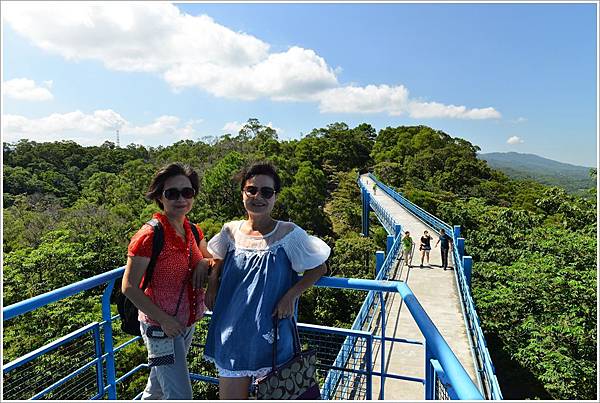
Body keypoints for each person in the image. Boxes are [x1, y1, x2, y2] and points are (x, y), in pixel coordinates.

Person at [203, 162, 329, 400]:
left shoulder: (289, 234)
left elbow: (318, 267)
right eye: (252, 190)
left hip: (271, 334)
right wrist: (212, 282)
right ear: (243, 194)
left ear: (275, 197)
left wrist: (291, 295)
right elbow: (216, 257)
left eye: (266, 192)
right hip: (232, 332)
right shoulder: (230, 231)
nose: (258, 196)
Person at [122, 162, 211, 400]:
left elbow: (210, 259)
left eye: (187, 192)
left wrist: (203, 263)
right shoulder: (149, 236)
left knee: (158, 387)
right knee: (180, 395)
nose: (181, 198)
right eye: (172, 193)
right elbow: (128, 286)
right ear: (160, 197)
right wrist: (165, 321)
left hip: (186, 323)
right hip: (160, 328)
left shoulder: (193, 230)